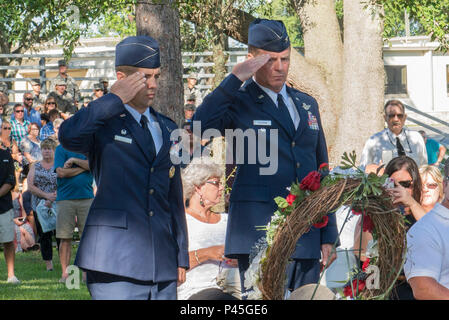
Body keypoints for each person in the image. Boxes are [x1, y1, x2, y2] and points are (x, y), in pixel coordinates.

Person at [193, 19, 338, 295]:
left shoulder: (306, 103)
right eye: (271, 60)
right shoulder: (237, 100)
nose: (280, 67)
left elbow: (322, 169)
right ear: (253, 60)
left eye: (285, 59)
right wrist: (236, 78)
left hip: (306, 231)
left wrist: (328, 232)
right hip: (258, 231)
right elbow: (201, 123)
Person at [58, 35, 189, 300]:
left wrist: (181, 254)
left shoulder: (167, 127)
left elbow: (173, 196)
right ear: (122, 77)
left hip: (162, 261)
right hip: (114, 259)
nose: (152, 85)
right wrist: (113, 98)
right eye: (144, 77)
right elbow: (69, 135)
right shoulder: (104, 122)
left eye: (156, 77)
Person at [354, 156, 425, 300]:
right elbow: (361, 254)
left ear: (415, 185)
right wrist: (372, 212)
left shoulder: (420, 214)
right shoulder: (377, 214)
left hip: (411, 289)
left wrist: (410, 202)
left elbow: (435, 229)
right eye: (393, 183)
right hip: (379, 285)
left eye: (405, 184)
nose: (399, 189)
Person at [178, 158, 240, 300]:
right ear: (198, 187)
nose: (221, 188)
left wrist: (238, 259)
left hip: (234, 288)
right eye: (216, 183)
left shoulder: (227, 220)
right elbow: (171, 263)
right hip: (196, 291)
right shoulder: (182, 221)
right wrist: (208, 253)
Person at [404, 160, 449, 300]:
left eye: (431, 185)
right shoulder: (425, 230)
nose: (426, 189)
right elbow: (424, 289)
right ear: (445, 184)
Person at [54, 143, 94, 283]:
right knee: (65, 238)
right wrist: (83, 168)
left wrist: (75, 161)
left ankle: (85, 274)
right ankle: (65, 274)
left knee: (87, 238)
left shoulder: (88, 148)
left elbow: (93, 165)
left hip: (87, 197)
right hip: (65, 199)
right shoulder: (60, 149)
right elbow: (61, 173)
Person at [360, 100, 427, 169]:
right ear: (385, 118)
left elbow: (423, 167)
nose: (396, 119)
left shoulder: (416, 138)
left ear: (405, 117)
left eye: (399, 115)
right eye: (391, 116)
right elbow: (363, 168)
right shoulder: (374, 141)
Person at [27, 138, 59, 271]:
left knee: (60, 234)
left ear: (54, 150)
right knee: (44, 235)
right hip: (39, 205)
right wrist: (46, 196)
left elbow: (64, 183)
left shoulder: (59, 165)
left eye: (49, 148)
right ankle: (48, 265)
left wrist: (52, 198)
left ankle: (64, 262)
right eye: (44, 148)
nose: (46, 151)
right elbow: (30, 185)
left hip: (57, 204)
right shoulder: (35, 166)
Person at [0, 147, 20, 284]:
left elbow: (10, 180)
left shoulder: (6, 155)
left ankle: (11, 275)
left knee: (8, 241)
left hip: (4, 206)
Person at [12, 183, 36, 253]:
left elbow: (23, 210)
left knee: (25, 227)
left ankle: (29, 247)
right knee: (20, 229)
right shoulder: (3, 197)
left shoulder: (18, 195)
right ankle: (31, 247)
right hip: (9, 220)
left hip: (20, 219)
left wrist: (24, 218)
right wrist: (14, 220)